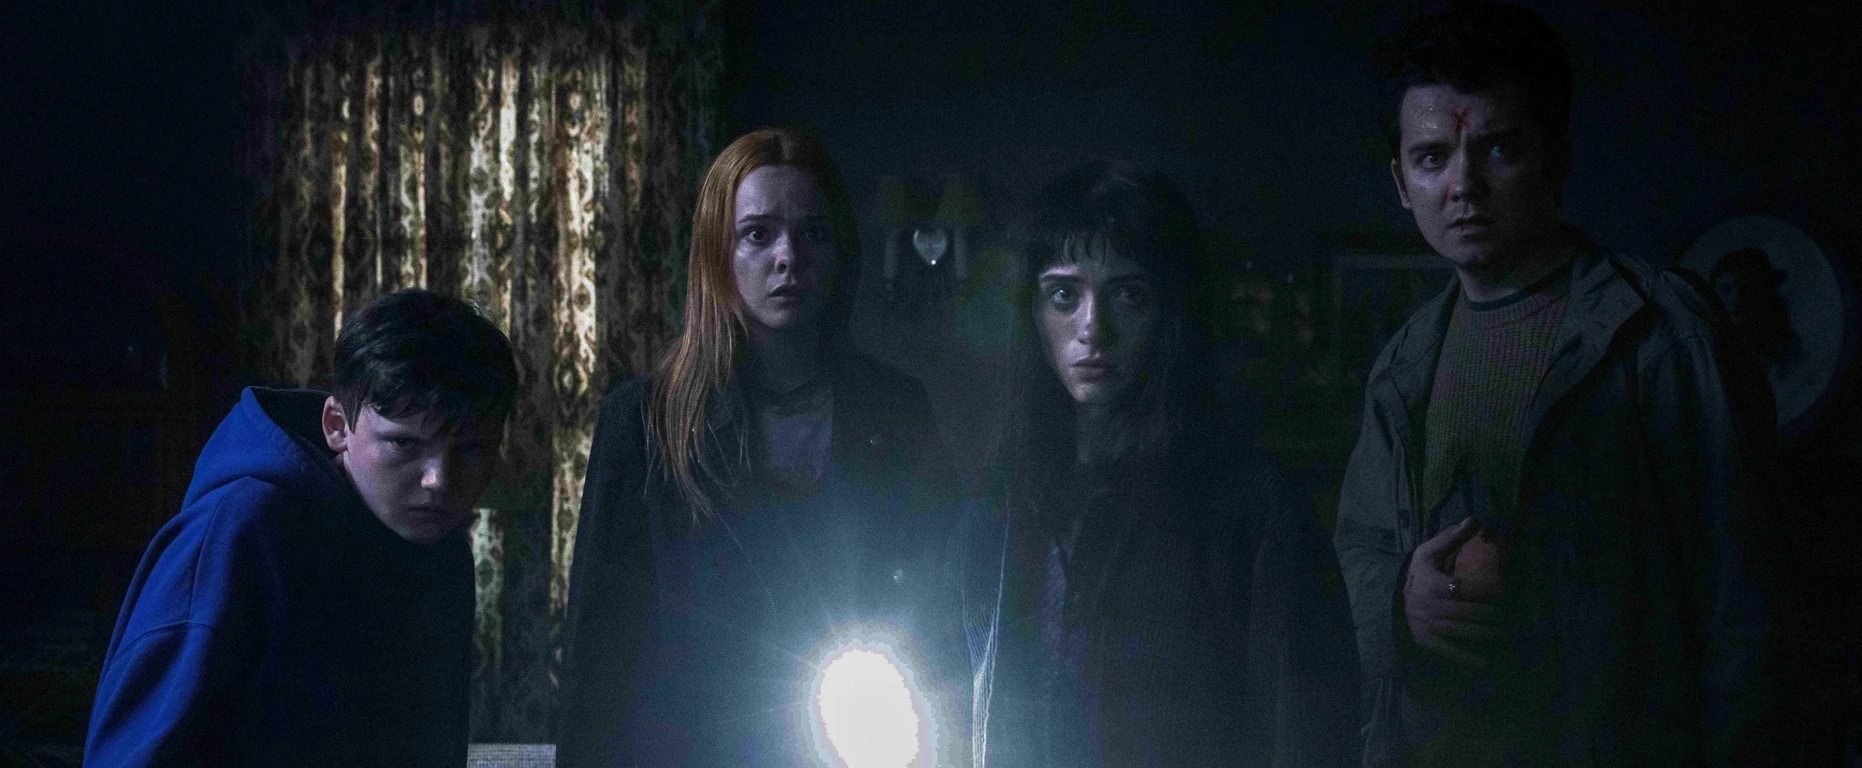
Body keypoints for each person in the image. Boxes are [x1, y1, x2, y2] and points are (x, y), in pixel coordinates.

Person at [1334, 2, 1782, 765]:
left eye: (1500, 148)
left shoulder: (1664, 336)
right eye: (1433, 158)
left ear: (1556, 156)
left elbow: (1746, 606)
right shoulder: (1405, 363)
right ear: (1402, 183)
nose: (1464, 185)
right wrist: (1402, 600)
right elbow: (1359, 552)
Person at [556, 127, 965, 767]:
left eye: (812, 233)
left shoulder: (896, 409)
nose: (788, 257)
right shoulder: (644, 421)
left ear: (839, 249)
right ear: (717, 252)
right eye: (758, 234)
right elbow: (599, 654)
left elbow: (942, 624)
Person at [965, 160, 1361, 767]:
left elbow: (1308, 738)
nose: (1093, 329)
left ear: (1170, 309)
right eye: (1064, 295)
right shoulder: (1008, 497)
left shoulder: (1252, 508)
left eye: (1128, 294)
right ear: (1033, 311)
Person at [85, 289, 518, 767]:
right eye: (404, 444)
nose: (439, 480)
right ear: (337, 425)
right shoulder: (241, 531)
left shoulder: (443, 552)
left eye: (471, 449)